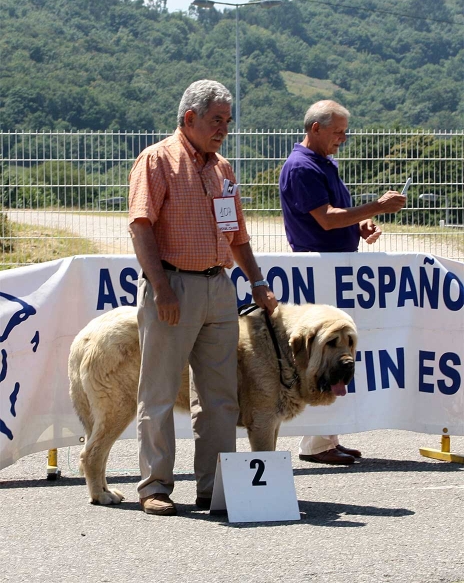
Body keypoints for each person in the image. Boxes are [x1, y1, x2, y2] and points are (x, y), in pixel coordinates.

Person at [128, 79, 278, 515]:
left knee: (220, 397)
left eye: (227, 122)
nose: (223, 129)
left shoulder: (223, 169)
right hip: (172, 286)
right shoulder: (156, 160)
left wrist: (257, 281)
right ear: (189, 118)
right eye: (216, 120)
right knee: (157, 392)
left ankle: (216, 489)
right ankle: (154, 487)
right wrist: (160, 288)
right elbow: (140, 226)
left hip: (219, 288)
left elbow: (238, 235)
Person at [279, 99, 406, 465]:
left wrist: (360, 223)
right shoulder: (302, 167)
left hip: (334, 266)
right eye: (338, 132)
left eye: (345, 133)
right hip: (320, 268)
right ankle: (317, 441)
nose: (343, 139)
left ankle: (323, 437)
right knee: (327, 353)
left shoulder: (322, 163)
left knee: (335, 355)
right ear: (315, 129)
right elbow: (326, 219)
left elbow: (338, 214)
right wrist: (374, 208)